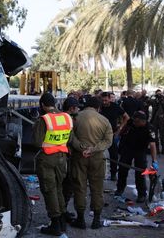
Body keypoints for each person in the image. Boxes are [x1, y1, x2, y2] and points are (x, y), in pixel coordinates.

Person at [33, 93, 74, 236]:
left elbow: (37, 142)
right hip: (62, 158)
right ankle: (62, 221)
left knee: (49, 190)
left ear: (43, 104)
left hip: (47, 158)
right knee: (58, 188)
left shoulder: (44, 119)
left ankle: (55, 224)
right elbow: (70, 138)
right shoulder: (67, 117)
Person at [69, 97, 113, 229]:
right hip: (97, 158)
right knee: (97, 188)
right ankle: (96, 220)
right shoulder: (104, 120)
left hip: (79, 157)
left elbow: (70, 137)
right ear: (98, 107)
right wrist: (93, 149)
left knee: (79, 187)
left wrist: (82, 148)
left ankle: (81, 219)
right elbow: (108, 141)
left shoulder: (76, 118)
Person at [115, 111, 159, 203]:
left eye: (137, 122)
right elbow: (125, 128)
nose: (134, 123)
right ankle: (119, 189)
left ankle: (142, 194)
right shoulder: (131, 122)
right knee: (123, 169)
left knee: (140, 172)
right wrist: (118, 135)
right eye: (134, 121)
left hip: (140, 150)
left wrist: (154, 160)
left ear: (143, 121)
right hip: (127, 148)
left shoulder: (150, 128)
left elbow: (152, 145)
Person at [100, 92, 129, 181]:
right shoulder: (99, 107)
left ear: (109, 98)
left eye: (106, 100)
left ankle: (113, 174)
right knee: (97, 154)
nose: (104, 102)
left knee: (114, 155)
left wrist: (119, 129)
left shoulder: (115, 106)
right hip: (99, 134)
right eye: (103, 100)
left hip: (111, 134)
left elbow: (126, 117)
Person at [61, 97, 80, 221]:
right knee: (67, 186)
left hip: (63, 156)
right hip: (65, 157)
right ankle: (61, 213)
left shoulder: (62, 117)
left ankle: (63, 211)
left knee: (66, 186)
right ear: (72, 108)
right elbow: (71, 139)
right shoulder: (67, 119)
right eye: (77, 107)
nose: (78, 109)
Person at [150, 90, 164, 155]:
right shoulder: (158, 101)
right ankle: (160, 149)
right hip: (159, 119)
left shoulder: (160, 101)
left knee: (160, 134)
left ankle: (160, 149)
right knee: (159, 135)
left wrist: (154, 97)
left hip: (157, 120)